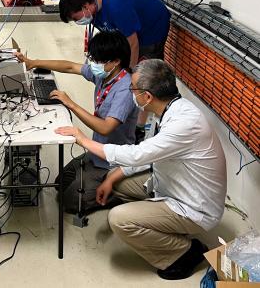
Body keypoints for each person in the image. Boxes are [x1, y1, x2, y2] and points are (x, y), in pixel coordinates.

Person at [55, 59, 227, 280]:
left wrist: (82, 140)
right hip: (171, 182)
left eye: (133, 89)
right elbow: (149, 154)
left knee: (119, 219)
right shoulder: (170, 109)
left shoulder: (183, 124)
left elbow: (136, 154)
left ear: (147, 96)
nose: (130, 92)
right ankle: (153, 218)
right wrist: (112, 176)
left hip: (195, 206)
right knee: (113, 178)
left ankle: (184, 253)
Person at [15, 30, 137, 213]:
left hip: (113, 159)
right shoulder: (106, 74)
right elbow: (70, 66)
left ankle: (120, 193)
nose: (93, 64)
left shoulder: (124, 90)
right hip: (96, 151)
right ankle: (94, 181)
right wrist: (32, 62)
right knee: (59, 184)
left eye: (98, 60)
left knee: (70, 202)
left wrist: (71, 104)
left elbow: (105, 128)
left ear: (116, 61)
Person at [58, 0, 171, 140]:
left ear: (85, 7)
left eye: (76, 18)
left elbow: (133, 43)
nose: (78, 21)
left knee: (145, 78)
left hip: (152, 28)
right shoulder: (95, 8)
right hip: (132, 27)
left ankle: (140, 127)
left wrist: (128, 75)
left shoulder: (117, 7)